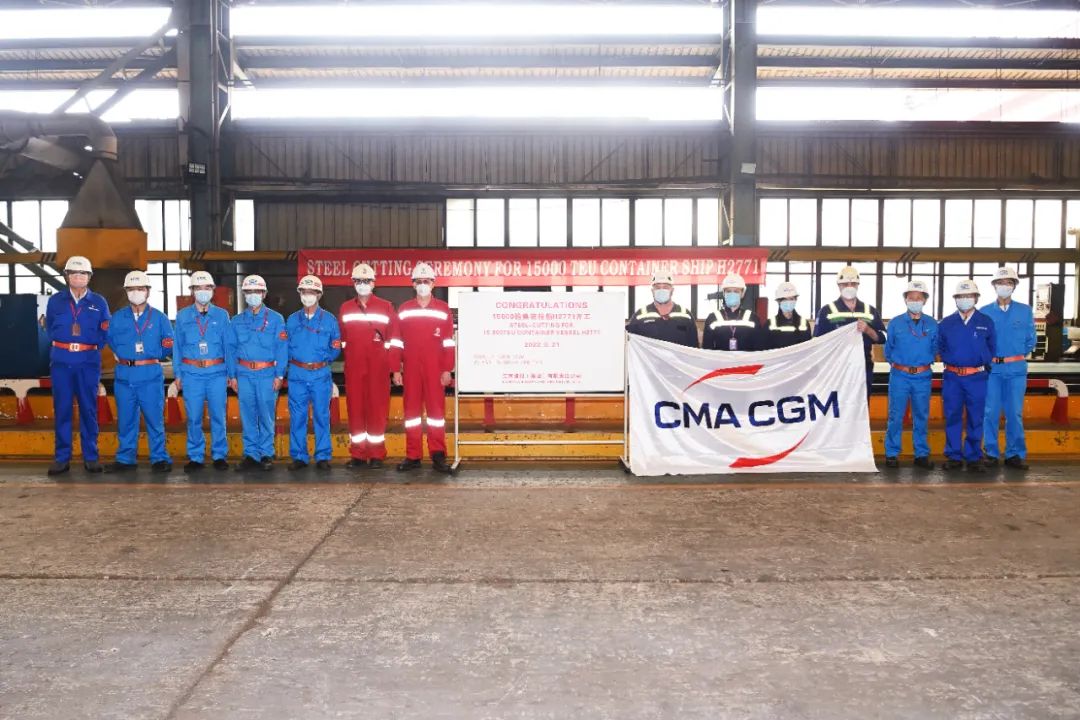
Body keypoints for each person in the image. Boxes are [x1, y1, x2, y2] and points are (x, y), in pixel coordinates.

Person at [44, 255, 111, 475]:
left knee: (88, 409)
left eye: (83, 273)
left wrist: (88, 348)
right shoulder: (55, 301)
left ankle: (91, 457)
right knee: (62, 409)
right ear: (66, 276)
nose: (78, 276)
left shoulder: (99, 302)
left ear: (89, 276)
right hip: (61, 363)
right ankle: (62, 458)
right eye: (74, 273)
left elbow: (105, 330)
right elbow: (50, 327)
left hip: (88, 363)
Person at [105, 270, 173, 473]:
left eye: (140, 288)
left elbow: (168, 344)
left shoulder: (159, 318)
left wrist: (152, 355)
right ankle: (125, 458)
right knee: (126, 420)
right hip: (124, 377)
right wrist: (125, 356)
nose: (136, 292)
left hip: (150, 376)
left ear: (148, 291)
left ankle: (159, 457)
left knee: (154, 419)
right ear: (126, 291)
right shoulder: (117, 318)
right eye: (131, 289)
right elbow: (111, 340)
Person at [339, 263, 402, 469]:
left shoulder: (386, 307)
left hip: (379, 368)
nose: (363, 284)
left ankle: (376, 454)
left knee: (377, 409)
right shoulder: (345, 308)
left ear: (374, 283)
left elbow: (395, 340)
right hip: (354, 368)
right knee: (355, 409)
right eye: (359, 281)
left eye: (367, 281)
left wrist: (395, 369)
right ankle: (357, 454)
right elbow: (342, 338)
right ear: (353, 283)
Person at [396, 262, 455, 474]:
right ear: (413, 284)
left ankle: (438, 454)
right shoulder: (404, 310)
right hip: (411, 369)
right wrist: (396, 369)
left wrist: (447, 369)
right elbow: (397, 341)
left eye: (426, 281)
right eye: (419, 281)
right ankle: (413, 456)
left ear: (433, 283)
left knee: (436, 414)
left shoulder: (443, 309)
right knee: (411, 414)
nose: (423, 284)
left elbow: (448, 342)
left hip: (435, 369)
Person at [173, 271, 232, 473]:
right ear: (192, 291)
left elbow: (228, 347)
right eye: (198, 288)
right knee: (194, 417)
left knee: (218, 416)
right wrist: (178, 374)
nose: (203, 291)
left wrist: (231, 374)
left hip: (217, 373)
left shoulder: (222, 315)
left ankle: (219, 455)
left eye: (207, 287)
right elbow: (177, 347)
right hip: (191, 374)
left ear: (213, 290)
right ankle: (196, 456)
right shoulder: (182, 316)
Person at [229, 274, 288, 472]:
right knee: (247, 414)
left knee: (266, 414)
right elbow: (231, 349)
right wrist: (232, 376)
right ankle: (251, 454)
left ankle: (266, 453)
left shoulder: (276, 319)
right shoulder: (236, 321)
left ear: (264, 294)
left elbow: (282, 349)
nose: (253, 295)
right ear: (244, 294)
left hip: (267, 374)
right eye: (249, 292)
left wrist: (280, 375)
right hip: (244, 374)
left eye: (257, 291)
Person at [981, 266, 1036, 470]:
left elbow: (1031, 340)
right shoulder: (984, 312)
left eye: (1009, 283)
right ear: (994, 286)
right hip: (992, 370)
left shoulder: (1025, 311)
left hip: (1016, 370)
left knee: (1014, 413)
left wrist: (1015, 355)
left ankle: (1015, 454)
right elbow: (981, 341)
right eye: (1001, 283)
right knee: (990, 413)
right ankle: (991, 452)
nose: (1005, 286)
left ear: (1014, 286)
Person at [938, 279, 995, 473]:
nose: (965, 299)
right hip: (952, 378)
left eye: (969, 296)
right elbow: (940, 347)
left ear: (976, 298)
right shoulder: (946, 323)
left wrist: (980, 365)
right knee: (952, 416)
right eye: (961, 296)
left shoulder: (986, 322)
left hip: (977, 378)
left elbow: (992, 347)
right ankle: (954, 455)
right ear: (955, 299)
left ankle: (973, 456)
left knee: (975, 418)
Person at [286, 275, 341, 472]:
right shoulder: (292, 320)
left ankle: (323, 456)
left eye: (311, 292)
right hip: (297, 375)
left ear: (319, 295)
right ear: (299, 294)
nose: (307, 296)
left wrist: (323, 361)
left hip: (320, 375)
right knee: (297, 417)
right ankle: (299, 456)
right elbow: (284, 347)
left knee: (321, 416)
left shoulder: (330, 320)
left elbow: (336, 347)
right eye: (304, 292)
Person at [882, 280, 938, 470]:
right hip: (900, 376)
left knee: (921, 415)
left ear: (925, 300)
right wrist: (901, 366)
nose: (915, 301)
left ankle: (921, 454)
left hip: (923, 376)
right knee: (895, 415)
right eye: (911, 297)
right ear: (905, 300)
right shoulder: (895, 323)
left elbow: (936, 348)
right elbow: (888, 350)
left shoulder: (932, 324)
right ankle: (891, 454)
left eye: (918, 298)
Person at [813, 265, 886, 401]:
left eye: (853, 284)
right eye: (845, 284)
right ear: (838, 286)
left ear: (858, 285)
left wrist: (868, 330)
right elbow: (817, 342)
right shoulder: (827, 311)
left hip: (863, 368)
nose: (849, 287)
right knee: (838, 406)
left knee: (861, 405)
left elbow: (883, 338)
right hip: (836, 369)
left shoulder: (869, 310)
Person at [626, 270, 698, 347]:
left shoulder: (686, 316)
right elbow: (629, 344)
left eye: (665, 287)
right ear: (652, 291)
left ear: (672, 290)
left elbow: (694, 347)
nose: (661, 290)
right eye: (657, 287)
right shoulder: (640, 316)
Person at [701, 272, 762, 351]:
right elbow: (707, 350)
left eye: (736, 291)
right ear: (724, 293)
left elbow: (758, 349)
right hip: (720, 359)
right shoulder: (712, 318)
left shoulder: (753, 318)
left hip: (745, 359)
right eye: (728, 291)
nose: (732, 294)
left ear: (742, 294)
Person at [764, 281, 812, 350]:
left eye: (791, 299)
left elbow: (808, 350)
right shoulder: (769, 324)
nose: (788, 302)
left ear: (796, 300)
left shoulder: (804, 323)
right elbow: (765, 350)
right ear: (778, 301)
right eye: (785, 299)